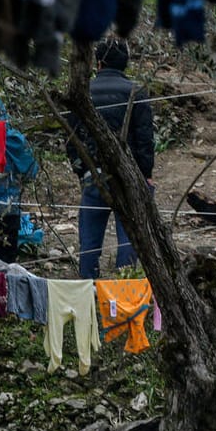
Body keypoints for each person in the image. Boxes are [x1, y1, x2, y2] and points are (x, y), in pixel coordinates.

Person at [67, 38, 153, 278]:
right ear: (125, 63)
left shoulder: (82, 92)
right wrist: (145, 175)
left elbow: (71, 139)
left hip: (93, 176)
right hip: (129, 177)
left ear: (99, 63)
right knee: (130, 239)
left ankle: (88, 291)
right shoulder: (137, 91)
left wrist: (81, 171)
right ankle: (125, 293)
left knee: (90, 243)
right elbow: (145, 140)